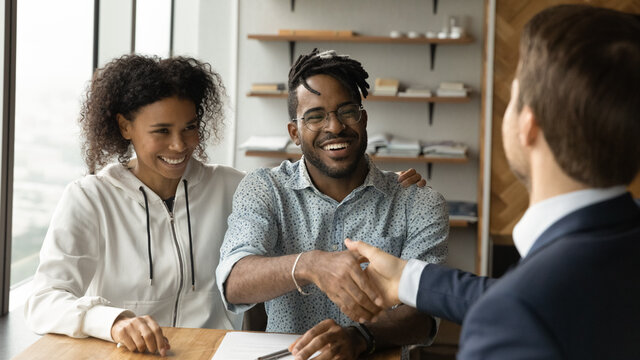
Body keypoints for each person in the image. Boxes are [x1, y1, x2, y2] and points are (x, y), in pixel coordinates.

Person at [23, 54, 426, 356]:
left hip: (214, 352)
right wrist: (112, 321)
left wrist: (389, 185)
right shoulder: (89, 198)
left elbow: (313, 178)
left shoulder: (234, 187)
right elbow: (44, 300)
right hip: (126, 353)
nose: (179, 146)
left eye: (190, 128)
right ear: (125, 126)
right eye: (161, 131)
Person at [345, 4, 640, 359]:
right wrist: (404, 278)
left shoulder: (513, 317)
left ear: (529, 125)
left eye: (513, 96)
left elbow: (527, 306)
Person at [216, 48, 449, 360]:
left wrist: (359, 338)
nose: (335, 127)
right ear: (294, 133)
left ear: (363, 119)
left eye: (347, 111)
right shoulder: (265, 190)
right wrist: (309, 265)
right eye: (315, 116)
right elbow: (233, 281)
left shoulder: (418, 202)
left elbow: (424, 315)